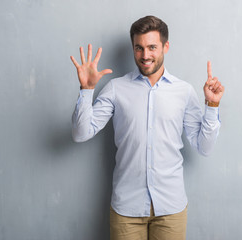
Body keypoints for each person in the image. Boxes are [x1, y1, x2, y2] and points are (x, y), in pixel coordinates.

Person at [70, 15, 224, 240]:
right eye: (138, 48)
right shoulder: (115, 88)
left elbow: (204, 147)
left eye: (152, 47)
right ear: (133, 48)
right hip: (127, 210)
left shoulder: (184, 91)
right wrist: (86, 90)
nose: (145, 55)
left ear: (165, 47)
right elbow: (81, 134)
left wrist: (212, 105)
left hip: (171, 209)